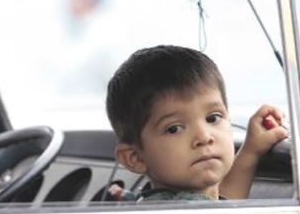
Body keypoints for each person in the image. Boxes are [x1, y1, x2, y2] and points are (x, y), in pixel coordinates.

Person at [106, 45, 288, 202]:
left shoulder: (173, 204)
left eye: (213, 118)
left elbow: (226, 206)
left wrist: (251, 150)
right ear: (136, 158)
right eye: (174, 129)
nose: (204, 137)